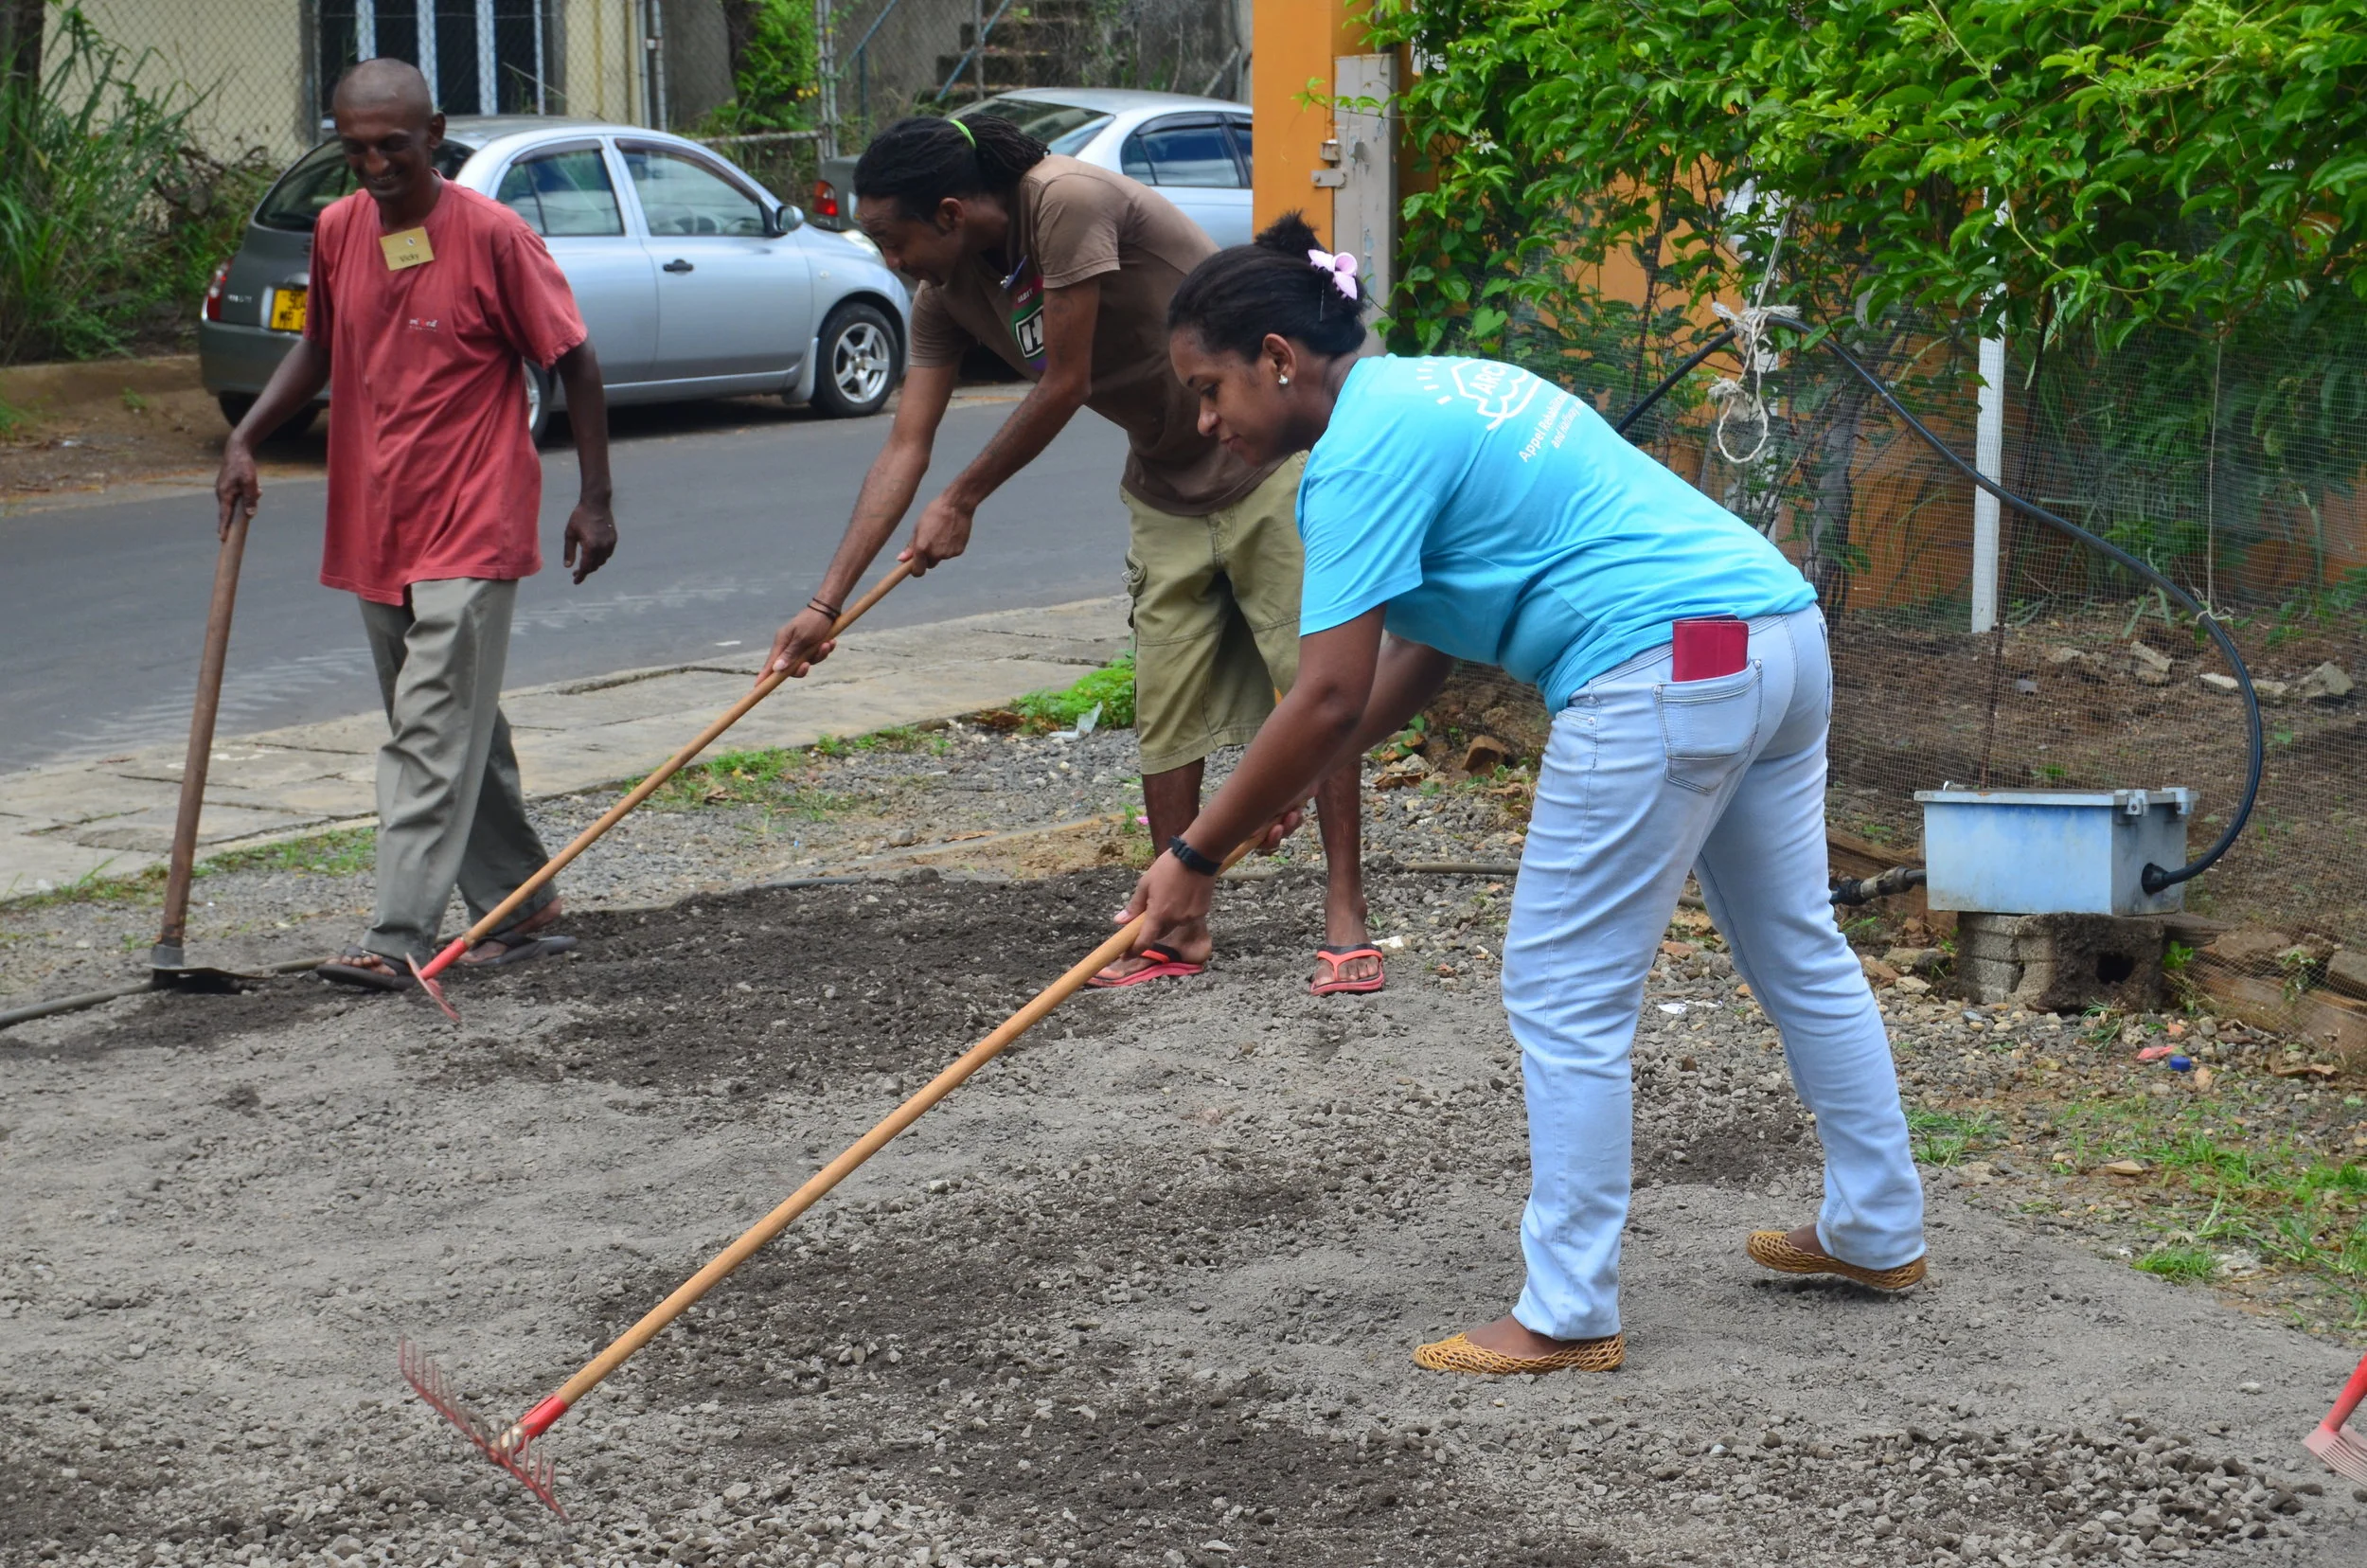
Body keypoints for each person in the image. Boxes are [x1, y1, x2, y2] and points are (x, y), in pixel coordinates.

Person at [1125, 213, 1929, 1375]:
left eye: (1209, 389)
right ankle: (1878, 1229)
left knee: (1563, 990)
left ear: (1277, 357)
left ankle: (1566, 1311)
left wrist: (1193, 856)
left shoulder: (1355, 456)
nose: (1204, 421)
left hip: (1655, 666)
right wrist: (1274, 789)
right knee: (1797, 944)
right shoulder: (1446, 387)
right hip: (1770, 638)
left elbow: (1326, 695)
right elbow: (1420, 653)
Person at [761, 116, 1382, 996]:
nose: (891, 265)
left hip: (1264, 466)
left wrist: (965, 498)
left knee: (1316, 681)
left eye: (894, 242)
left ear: (948, 212)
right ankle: (1177, 928)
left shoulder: (1065, 200)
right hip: (1164, 481)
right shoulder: (945, 300)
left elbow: (1067, 379)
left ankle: (1346, 911)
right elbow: (905, 445)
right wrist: (825, 606)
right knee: (1164, 701)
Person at [213, 58, 618, 991]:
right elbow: (317, 344)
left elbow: (576, 361)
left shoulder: (493, 235)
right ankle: (520, 903)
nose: (373, 164)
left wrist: (594, 498)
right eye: (354, 146)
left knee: (429, 723)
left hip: (474, 513)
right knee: (444, 713)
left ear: (434, 134)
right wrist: (246, 436)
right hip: (376, 515)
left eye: (392, 144)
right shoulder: (337, 228)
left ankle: (400, 933)